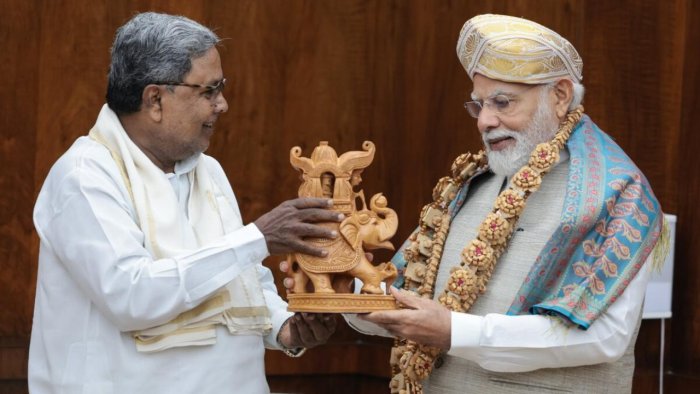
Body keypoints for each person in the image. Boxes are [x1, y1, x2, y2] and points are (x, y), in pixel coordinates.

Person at [283, 14, 668, 394]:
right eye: (478, 105)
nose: (484, 120)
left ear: (560, 95)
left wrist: (455, 332)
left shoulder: (616, 192)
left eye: (502, 102)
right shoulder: (473, 181)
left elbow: (605, 337)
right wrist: (340, 286)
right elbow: (405, 296)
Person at [29, 12, 341, 394]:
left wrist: (287, 330)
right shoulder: (84, 176)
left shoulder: (208, 171)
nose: (222, 105)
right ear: (155, 99)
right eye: (209, 91)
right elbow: (132, 296)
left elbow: (245, 282)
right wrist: (257, 237)